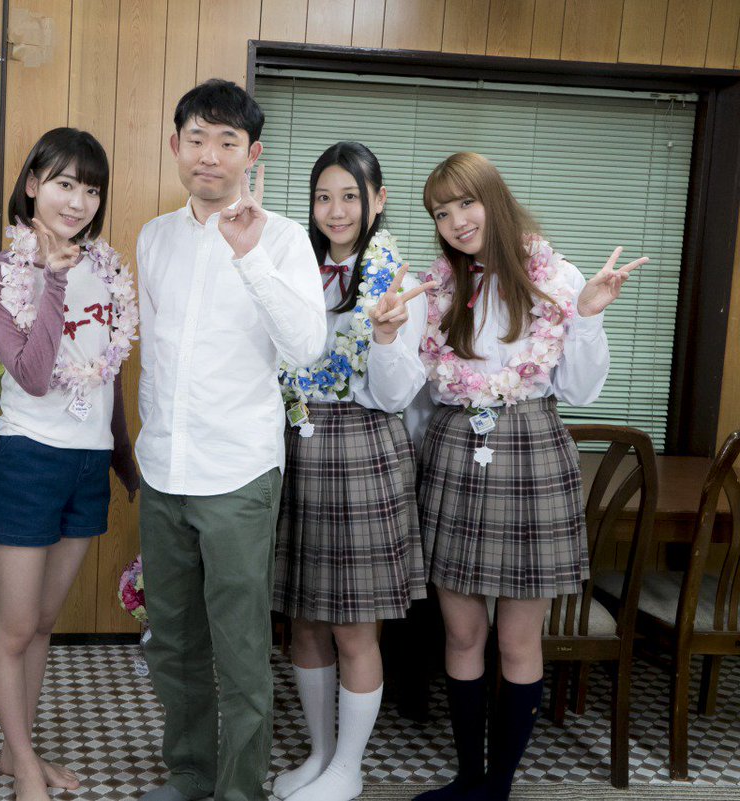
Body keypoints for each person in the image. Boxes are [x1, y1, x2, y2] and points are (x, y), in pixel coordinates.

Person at [413, 152, 645, 801]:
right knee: (462, 632)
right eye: (442, 212)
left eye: (466, 202)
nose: (456, 221)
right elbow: (426, 393)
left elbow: (581, 390)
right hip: (455, 449)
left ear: (495, 199)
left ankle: (498, 786)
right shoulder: (438, 289)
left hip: (532, 451)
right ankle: (468, 776)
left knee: (518, 639)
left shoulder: (558, 277)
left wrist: (590, 314)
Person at [135, 79, 327, 801]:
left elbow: (305, 348)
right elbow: (155, 358)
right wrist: (147, 447)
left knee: (241, 646)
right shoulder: (154, 237)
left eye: (226, 142)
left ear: (253, 153)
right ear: (175, 145)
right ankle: (190, 772)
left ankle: (240, 789)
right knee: (173, 639)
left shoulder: (283, 239)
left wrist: (249, 257)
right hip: (165, 467)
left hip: (239, 471)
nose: (209, 155)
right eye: (196, 139)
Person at [0, 127, 140, 801]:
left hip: (87, 464)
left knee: (42, 624)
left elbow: (107, 376)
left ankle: (19, 752)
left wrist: (125, 463)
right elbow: (34, 374)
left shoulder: (110, 270)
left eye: (91, 189)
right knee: (12, 627)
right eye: (65, 184)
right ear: (33, 183)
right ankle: (23, 765)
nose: (78, 202)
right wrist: (55, 278)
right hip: (27, 460)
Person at [273, 141, 432, 801]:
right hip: (297, 447)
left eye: (350, 196)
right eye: (323, 197)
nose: (335, 210)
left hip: (364, 451)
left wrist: (388, 336)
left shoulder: (394, 281)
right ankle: (319, 753)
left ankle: (349, 765)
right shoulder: (297, 271)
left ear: (378, 199)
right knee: (305, 618)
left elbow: (395, 396)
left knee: (354, 625)